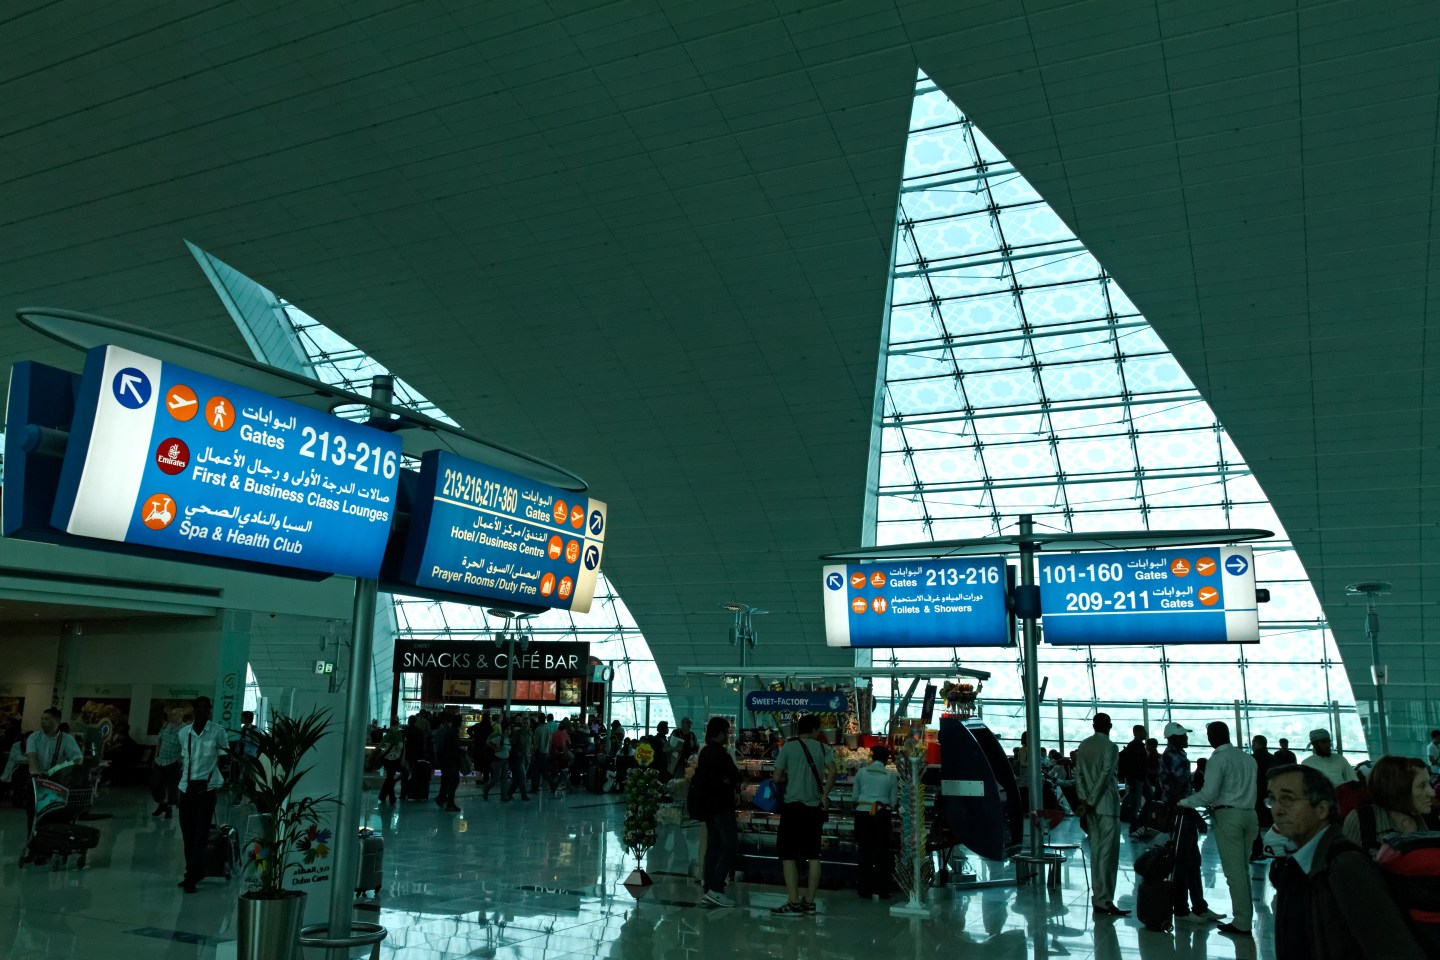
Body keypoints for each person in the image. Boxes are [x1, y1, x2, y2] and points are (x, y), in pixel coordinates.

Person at [1267, 764, 1426, 959]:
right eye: (1272, 799)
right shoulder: (1297, 863)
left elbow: (1392, 946)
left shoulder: (1345, 865)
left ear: (1322, 809)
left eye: (1288, 799)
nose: (1277, 810)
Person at [1177, 721, 1258, 938]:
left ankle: (1242, 922)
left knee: (1234, 873)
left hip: (1229, 817)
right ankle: (1245, 917)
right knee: (1243, 870)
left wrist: (1184, 802)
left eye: (1208, 734)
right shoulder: (1247, 758)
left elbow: (1209, 794)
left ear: (1213, 736)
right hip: (1250, 815)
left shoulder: (1218, 759)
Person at [770, 714, 836, 916]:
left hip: (792, 808)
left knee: (788, 855)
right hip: (814, 809)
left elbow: (776, 777)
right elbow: (833, 771)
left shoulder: (788, 747)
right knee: (814, 855)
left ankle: (794, 902)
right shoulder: (824, 749)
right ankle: (809, 901)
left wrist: (791, 776)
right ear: (815, 730)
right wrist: (824, 795)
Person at [1158, 720, 1218, 926]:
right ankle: (1182, 908)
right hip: (1180, 814)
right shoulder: (1172, 756)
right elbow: (1176, 790)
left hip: (1184, 812)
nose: (1186, 738)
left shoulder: (1177, 755)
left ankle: (1199, 906)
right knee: (1182, 863)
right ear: (1173, 738)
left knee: (1193, 861)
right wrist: (1193, 814)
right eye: (1182, 735)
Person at [1074, 712, 1128, 917]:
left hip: (1091, 808)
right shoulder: (1111, 747)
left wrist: (1084, 800)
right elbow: (1105, 776)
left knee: (1096, 853)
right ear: (1110, 726)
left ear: (1093, 725)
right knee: (1108, 855)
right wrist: (1090, 802)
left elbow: (1078, 774)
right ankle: (1104, 900)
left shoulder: (1084, 745)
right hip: (1106, 807)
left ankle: (1098, 897)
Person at [176, 696, 229, 893]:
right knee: (188, 834)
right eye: (202, 708)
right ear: (194, 709)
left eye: (208, 708)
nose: (206, 712)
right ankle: (196, 871)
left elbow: (224, 757)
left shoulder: (218, 731)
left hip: (207, 790)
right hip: (186, 788)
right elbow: (185, 759)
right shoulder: (184, 733)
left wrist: (212, 778)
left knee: (201, 833)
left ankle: (190, 876)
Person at [690, 716, 742, 908]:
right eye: (727, 733)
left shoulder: (705, 752)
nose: (728, 736)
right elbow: (736, 776)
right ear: (720, 733)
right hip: (722, 807)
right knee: (729, 846)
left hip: (708, 808)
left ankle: (708, 888)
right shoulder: (721, 753)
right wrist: (728, 780)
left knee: (712, 848)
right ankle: (716, 888)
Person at [1342, 755, 1439, 855]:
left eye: (1429, 784)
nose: (1432, 793)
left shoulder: (1430, 819)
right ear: (1397, 790)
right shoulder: (1362, 821)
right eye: (1422, 786)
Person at [852, 743, 898, 899]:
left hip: (862, 814)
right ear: (886, 760)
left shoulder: (861, 772)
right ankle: (882, 890)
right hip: (882, 815)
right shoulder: (891, 776)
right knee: (882, 851)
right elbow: (893, 801)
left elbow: (854, 797)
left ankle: (864, 889)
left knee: (864, 851)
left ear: (871, 757)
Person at [25, 708, 83, 832]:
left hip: (57, 782)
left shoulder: (67, 739)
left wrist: (57, 769)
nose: (42, 722)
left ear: (57, 721)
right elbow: (31, 757)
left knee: (55, 815)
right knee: (33, 815)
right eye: (42, 719)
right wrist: (37, 774)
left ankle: (52, 838)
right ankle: (33, 839)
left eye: (46, 719)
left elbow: (78, 759)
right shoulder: (34, 737)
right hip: (36, 782)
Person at [1118, 724, 1150, 834]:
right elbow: (1135, 763)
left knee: (1140, 801)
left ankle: (1138, 822)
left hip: (1139, 778)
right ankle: (1135, 824)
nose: (1145, 733)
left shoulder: (1135, 746)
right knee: (1137, 802)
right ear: (1137, 732)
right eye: (1143, 731)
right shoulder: (1135, 746)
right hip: (1137, 778)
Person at [1251, 734, 1275, 861]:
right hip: (1271, 794)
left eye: (1253, 743)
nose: (1252, 745)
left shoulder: (1252, 759)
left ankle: (1258, 850)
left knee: (1255, 824)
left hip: (1256, 795)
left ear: (1258, 744)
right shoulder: (1273, 758)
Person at [433, 714, 462, 812]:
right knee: (454, 781)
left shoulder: (447, 731)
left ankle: (442, 797)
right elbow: (455, 747)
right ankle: (449, 803)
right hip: (451, 761)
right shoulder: (453, 732)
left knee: (447, 780)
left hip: (445, 760)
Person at [504, 717, 531, 801]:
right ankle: (524, 795)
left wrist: (531, 752)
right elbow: (512, 745)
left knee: (517, 779)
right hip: (518, 758)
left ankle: (509, 793)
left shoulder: (530, 733)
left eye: (527, 723)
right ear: (521, 724)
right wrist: (517, 752)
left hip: (527, 757)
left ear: (529, 724)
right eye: (524, 723)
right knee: (522, 777)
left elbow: (532, 744)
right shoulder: (517, 733)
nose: (525, 725)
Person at [378, 722, 405, 804]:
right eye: (394, 727)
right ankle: (391, 798)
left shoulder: (400, 736)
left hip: (394, 759)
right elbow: (380, 745)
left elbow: (403, 749)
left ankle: (383, 796)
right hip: (388, 759)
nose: (395, 728)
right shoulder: (389, 736)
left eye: (396, 727)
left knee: (389, 778)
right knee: (390, 778)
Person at [546, 719, 571, 797]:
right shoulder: (564, 734)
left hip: (552, 755)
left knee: (561, 772)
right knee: (564, 771)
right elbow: (569, 743)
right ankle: (569, 787)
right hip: (561, 755)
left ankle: (556, 786)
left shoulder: (553, 734)